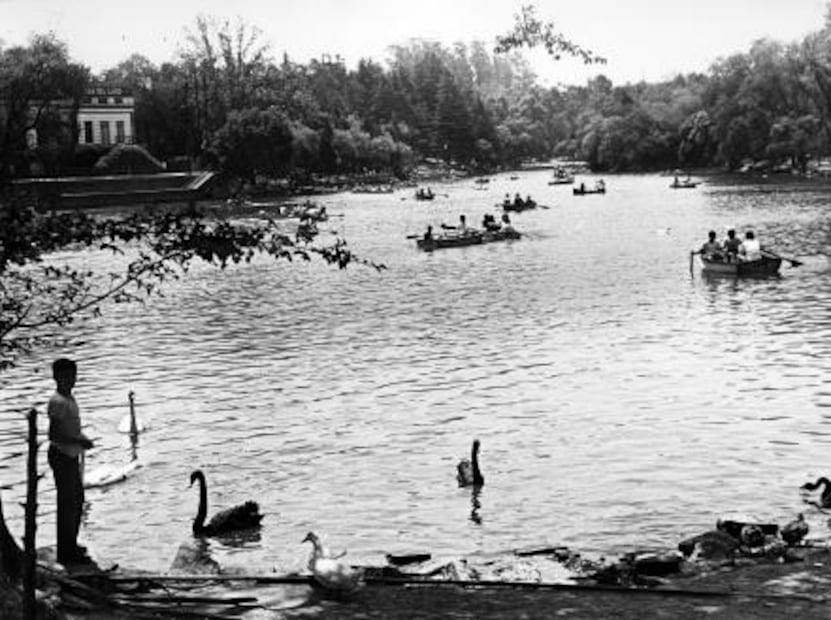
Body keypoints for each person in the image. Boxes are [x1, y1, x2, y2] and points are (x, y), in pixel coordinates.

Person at [47, 358, 93, 566]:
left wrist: (81, 438)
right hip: (62, 456)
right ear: (56, 377)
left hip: (71, 455)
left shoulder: (69, 398)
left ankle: (70, 544)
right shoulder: (58, 402)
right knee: (68, 505)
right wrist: (78, 440)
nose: (70, 380)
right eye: (65, 377)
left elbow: (70, 428)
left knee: (77, 501)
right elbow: (54, 434)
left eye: (73, 376)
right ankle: (66, 553)